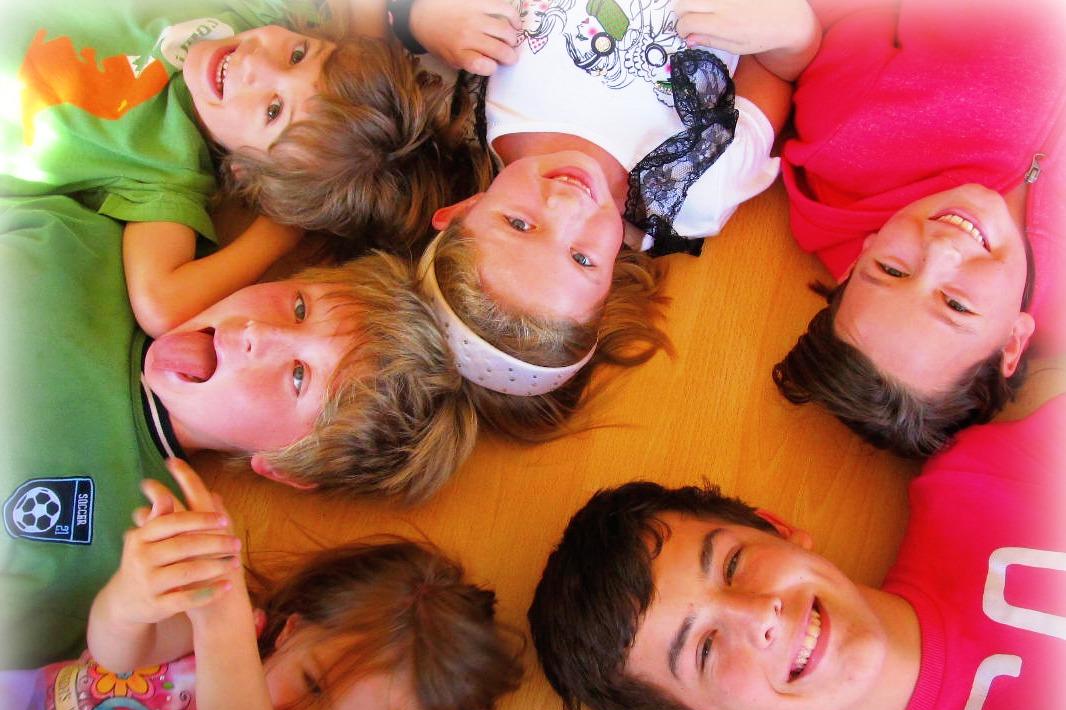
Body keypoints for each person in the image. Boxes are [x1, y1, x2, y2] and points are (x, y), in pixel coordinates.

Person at [0, 195, 472, 669]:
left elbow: (97, 661)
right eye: (300, 307)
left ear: (285, 464)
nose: (258, 333)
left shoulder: (144, 548)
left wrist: (129, 612)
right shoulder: (117, 248)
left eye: (299, 377)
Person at [528, 393, 1066, 710]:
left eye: (733, 564)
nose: (759, 614)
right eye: (705, 649)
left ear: (778, 529)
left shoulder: (985, 481)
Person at [397, 0, 818, 440]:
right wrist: (795, 31)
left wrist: (423, 19)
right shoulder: (698, 192)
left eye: (519, 225)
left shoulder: (472, 92)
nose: (566, 207)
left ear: (464, 209)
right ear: (610, 284)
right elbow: (775, 71)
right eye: (581, 258)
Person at [0, 459, 523, 710]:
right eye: (312, 685)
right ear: (290, 630)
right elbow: (115, 656)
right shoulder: (226, 627)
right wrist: (133, 597)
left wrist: (222, 628)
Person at [1, 0, 487, 335]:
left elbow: (161, 304)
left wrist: (285, 227)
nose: (258, 63)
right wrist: (405, 28)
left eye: (273, 111)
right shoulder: (255, 18)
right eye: (298, 54)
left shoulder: (163, 165)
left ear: (246, 174)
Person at [772, 0, 1066, 457]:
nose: (942, 249)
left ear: (857, 262)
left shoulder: (850, 131)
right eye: (956, 304)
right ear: (1012, 342)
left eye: (891, 269)